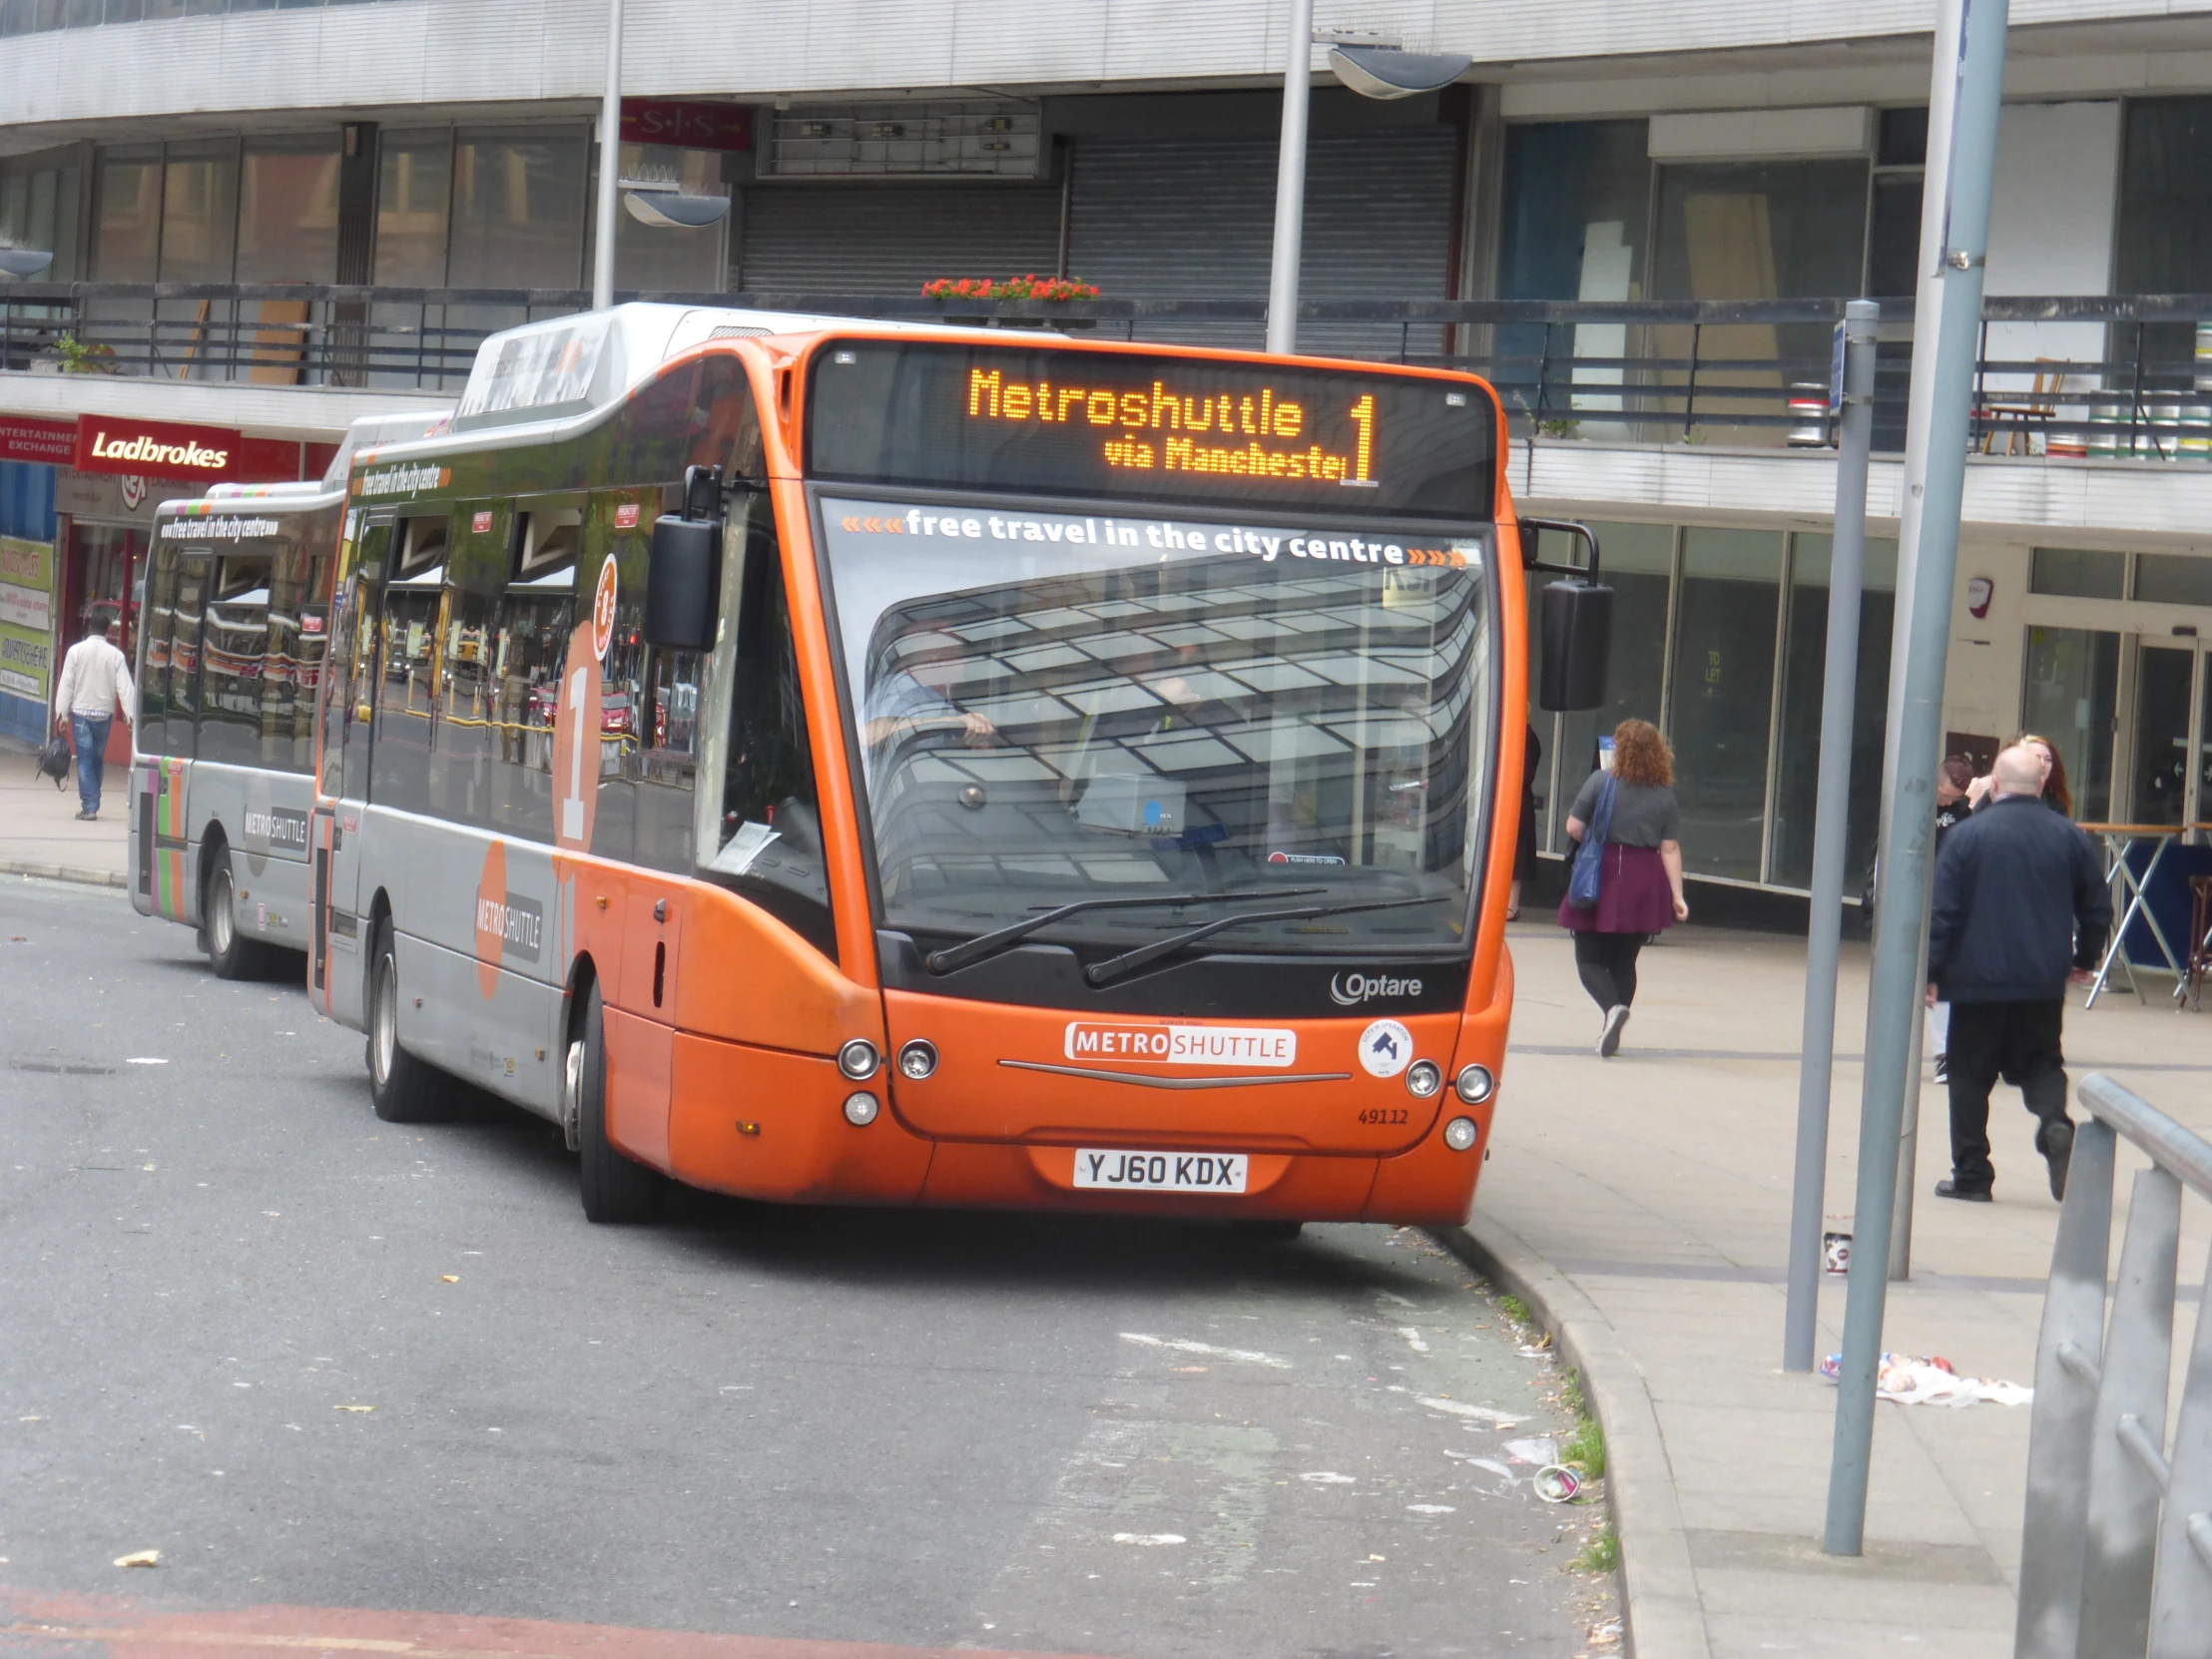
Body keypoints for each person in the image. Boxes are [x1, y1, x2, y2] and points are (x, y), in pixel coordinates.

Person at [1926, 745, 2111, 1203]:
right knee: (2042, 1062)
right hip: (2041, 979)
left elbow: (1943, 911)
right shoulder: (2069, 836)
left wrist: (1930, 971)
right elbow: (2097, 908)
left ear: (1997, 783)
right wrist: (2084, 959)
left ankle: (1972, 1175)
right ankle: (2054, 1122)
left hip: (1975, 979)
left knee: (1969, 1076)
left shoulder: (1967, 836)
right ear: (2042, 783)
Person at [1558, 718, 1690, 1057]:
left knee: (1588, 959)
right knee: (1625, 960)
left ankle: (1612, 1010)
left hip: (1603, 873)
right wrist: (1677, 896)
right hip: (1646, 878)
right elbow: (1670, 848)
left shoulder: (1601, 781)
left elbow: (1574, 826)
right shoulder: (1664, 796)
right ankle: (1611, 1025)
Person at [51, 611, 136, 823]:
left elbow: (66, 683)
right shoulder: (116, 655)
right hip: (104, 715)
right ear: (107, 630)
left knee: (85, 760)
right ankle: (92, 800)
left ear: (89, 628)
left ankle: (89, 805)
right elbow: (125, 687)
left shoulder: (75, 651)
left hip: (80, 714)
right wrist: (130, 716)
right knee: (96, 759)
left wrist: (61, 714)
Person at [1929, 755, 1974, 1082]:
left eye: (1953, 798)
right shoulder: (1912, 803)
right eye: (1943, 795)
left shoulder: (1964, 817)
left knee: (1942, 980)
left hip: (1948, 904)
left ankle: (1946, 1053)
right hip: (1917, 901)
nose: (1946, 802)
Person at [1508, 723, 1541, 921]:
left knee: (1517, 853)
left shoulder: (1526, 736)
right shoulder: (1520, 733)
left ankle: (1512, 906)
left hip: (1517, 800)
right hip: (1513, 798)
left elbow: (1524, 773)